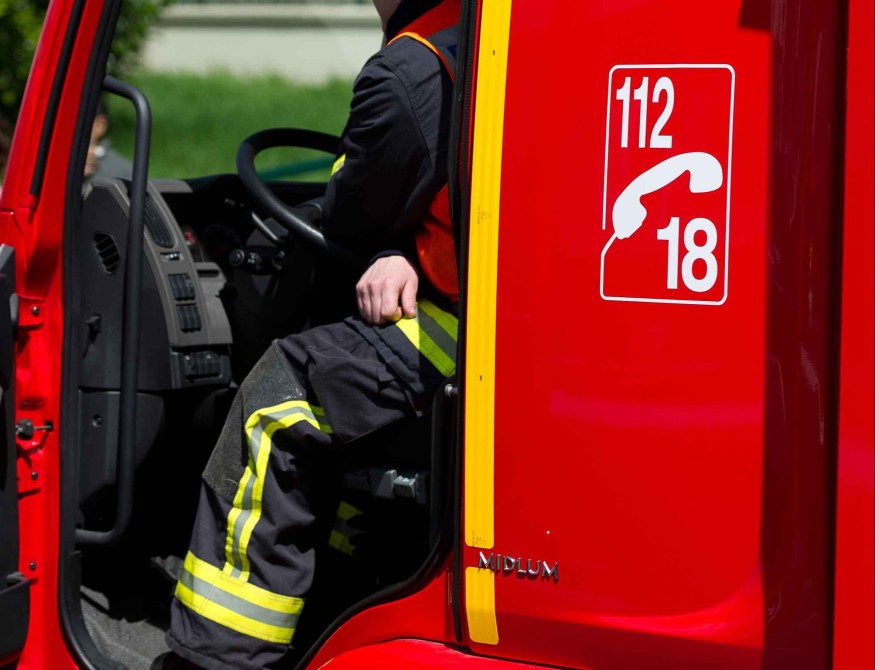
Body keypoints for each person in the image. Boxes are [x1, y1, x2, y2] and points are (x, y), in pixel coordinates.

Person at [155, 0, 461, 668]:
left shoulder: (417, 66)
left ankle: (219, 653)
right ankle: (342, 594)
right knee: (344, 367)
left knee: (280, 396)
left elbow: (354, 217)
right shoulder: (486, 36)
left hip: (464, 330)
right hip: (493, 312)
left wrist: (390, 247)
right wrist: (404, 250)